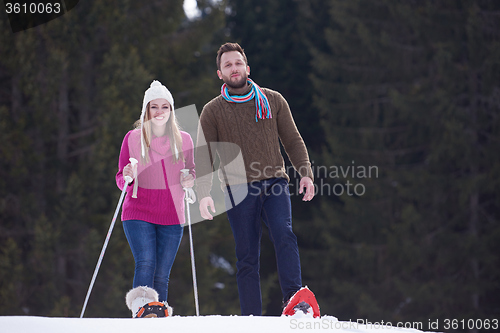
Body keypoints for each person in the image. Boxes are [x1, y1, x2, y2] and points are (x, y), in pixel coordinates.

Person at [195, 42, 315, 316]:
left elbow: (292, 140)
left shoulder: (273, 100)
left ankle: (295, 302)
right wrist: (203, 193)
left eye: (237, 63)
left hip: (275, 181)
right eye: (227, 65)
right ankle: (252, 319)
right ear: (220, 74)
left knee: (284, 234)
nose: (233, 68)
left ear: (247, 68)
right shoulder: (212, 111)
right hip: (237, 189)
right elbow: (204, 157)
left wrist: (305, 173)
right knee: (247, 256)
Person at [116, 80, 195, 315]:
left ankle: (158, 316)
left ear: (171, 110)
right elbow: (121, 178)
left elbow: (191, 172)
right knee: (146, 262)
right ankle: (142, 311)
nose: (159, 112)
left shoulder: (184, 140)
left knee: (162, 273)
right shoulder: (132, 138)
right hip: (138, 210)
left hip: (172, 213)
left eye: (165, 107)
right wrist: (127, 177)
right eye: (154, 107)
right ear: (146, 110)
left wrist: (189, 179)